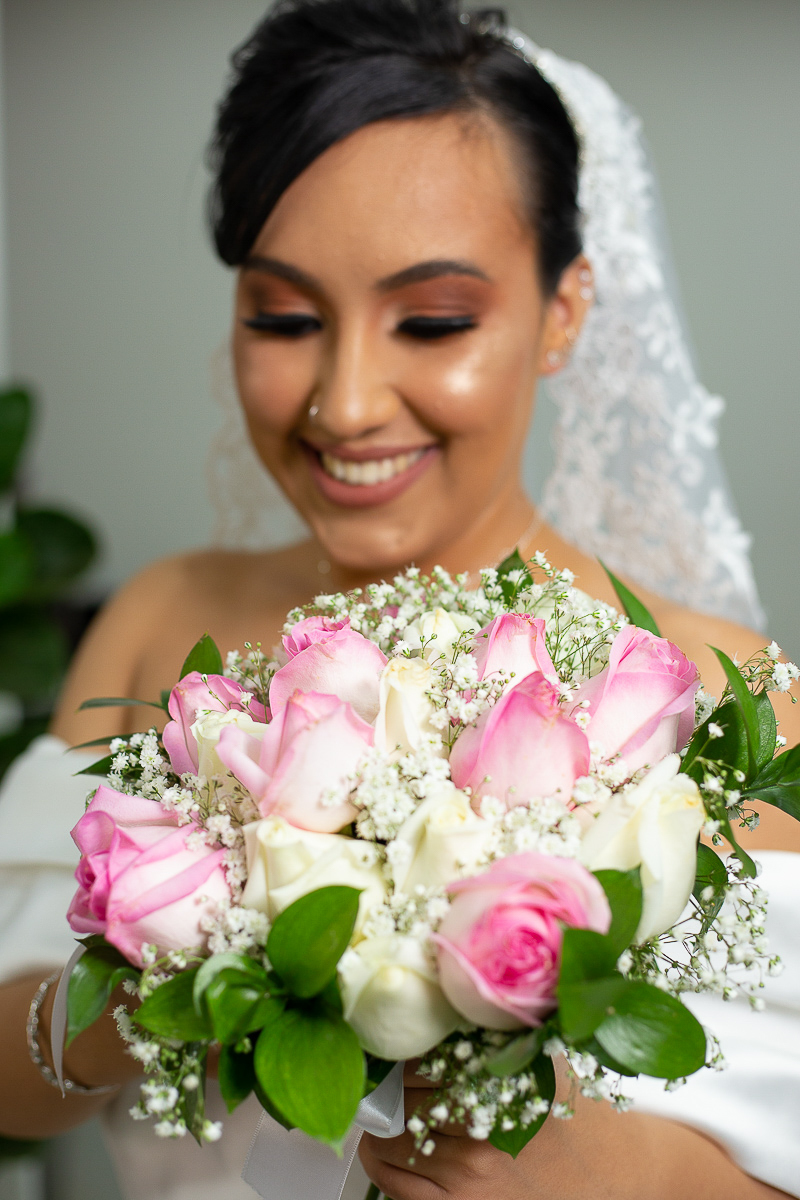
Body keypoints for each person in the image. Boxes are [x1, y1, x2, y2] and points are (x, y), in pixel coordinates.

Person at [0, 2, 798, 1198]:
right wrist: (174, 966)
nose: (346, 402)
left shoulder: (718, 698)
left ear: (563, 311)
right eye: (283, 317)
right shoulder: (166, 622)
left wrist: (619, 1175)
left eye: (431, 321)